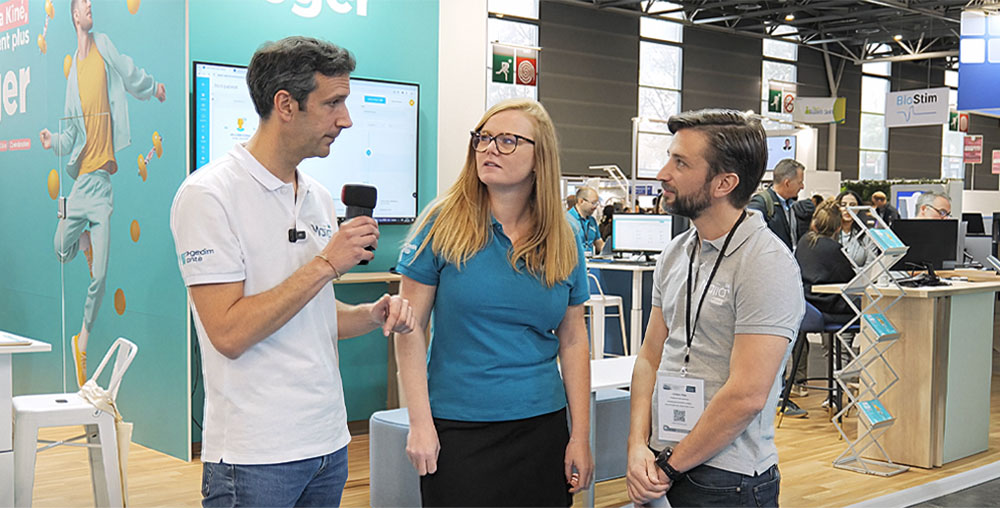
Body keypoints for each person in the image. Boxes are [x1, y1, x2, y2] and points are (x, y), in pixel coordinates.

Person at [169, 37, 415, 507]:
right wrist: (325, 264)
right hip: (254, 455)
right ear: (285, 104)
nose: (345, 119)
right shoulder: (209, 195)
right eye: (333, 103)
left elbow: (310, 314)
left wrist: (369, 314)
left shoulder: (318, 196)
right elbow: (229, 331)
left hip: (327, 443)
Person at [394, 98, 594, 507]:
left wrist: (580, 436)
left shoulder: (564, 235)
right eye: (483, 139)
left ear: (540, 158)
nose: (489, 149)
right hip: (458, 427)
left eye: (507, 141)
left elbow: (573, 339)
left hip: (542, 426)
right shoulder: (442, 222)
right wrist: (419, 423)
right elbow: (409, 326)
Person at [626, 109, 804, 507]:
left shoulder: (765, 263)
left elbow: (747, 395)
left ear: (725, 182)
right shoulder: (676, 253)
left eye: (680, 162)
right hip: (661, 463)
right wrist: (638, 446)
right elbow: (650, 357)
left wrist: (670, 466)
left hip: (728, 479)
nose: (662, 173)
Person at [39, 0, 167, 387]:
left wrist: (153, 88)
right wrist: (51, 141)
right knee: (62, 247)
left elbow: (129, 73)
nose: (90, 9)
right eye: (84, 6)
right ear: (74, 16)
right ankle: (85, 244)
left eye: (92, 5)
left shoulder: (104, 45)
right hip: (80, 185)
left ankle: (83, 341)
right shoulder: (73, 73)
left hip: (103, 184)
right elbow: (71, 135)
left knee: (100, 276)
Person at [789, 199, 857, 399]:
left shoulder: (804, 242)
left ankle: (836, 393)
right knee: (867, 313)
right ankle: (844, 390)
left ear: (815, 223)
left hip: (808, 307)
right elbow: (851, 280)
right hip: (829, 309)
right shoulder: (833, 249)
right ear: (837, 227)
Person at [747, 158, 805, 251]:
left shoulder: (792, 205)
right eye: (800, 182)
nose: (802, 187)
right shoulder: (760, 205)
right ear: (787, 183)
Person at [836, 190, 874, 267]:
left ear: (858, 208)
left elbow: (871, 266)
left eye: (852, 205)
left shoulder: (867, 235)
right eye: (843, 205)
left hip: (862, 278)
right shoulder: (829, 233)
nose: (848, 208)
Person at [567, 186, 605, 254]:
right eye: (593, 203)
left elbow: (599, 243)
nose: (595, 207)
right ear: (581, 201)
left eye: (597, 203)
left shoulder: (592, 221)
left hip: (590, 262)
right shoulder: (567, 219)